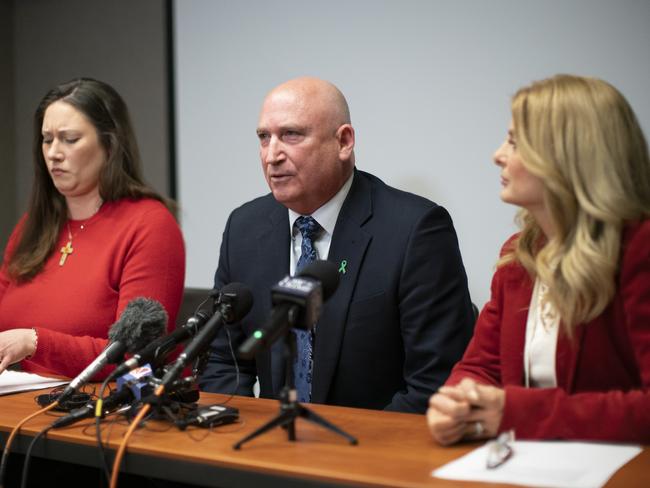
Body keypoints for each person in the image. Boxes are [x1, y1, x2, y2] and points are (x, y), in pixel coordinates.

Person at [199, 76, 474, 413]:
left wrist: (344, 453)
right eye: (263, 137)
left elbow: (435, 382)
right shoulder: (244, 227)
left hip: (371, 454)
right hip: (266, 450)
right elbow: (224, 361)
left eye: (291, 135)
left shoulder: (415, 230)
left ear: (344, 141)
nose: (272, 155)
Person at [427, 74, 650, 444]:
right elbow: (480, 367)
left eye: (514, 142)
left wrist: (516, 413)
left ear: (567, 157)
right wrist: (454, 404)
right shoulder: (519, 253)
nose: (497, 154)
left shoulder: (639, 248)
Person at [0, 78, 185, 379]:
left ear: (109, 145)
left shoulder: (149, 225)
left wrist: (34, 342)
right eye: (47, 139)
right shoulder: (32, 225)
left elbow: (135, 355)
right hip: (15, 410)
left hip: (98, 416)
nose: (53, 153)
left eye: (69, 139)